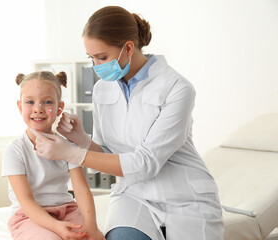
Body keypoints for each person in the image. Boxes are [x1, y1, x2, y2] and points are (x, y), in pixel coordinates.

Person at [34, 6, 224, 240]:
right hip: (134, 197)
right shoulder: (101, 89)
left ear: (128, 48)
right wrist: (81, 140)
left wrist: (72, 153)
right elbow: (108, 153)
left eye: (102, 57)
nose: (96, 66)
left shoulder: (177, 88)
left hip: (184, 200)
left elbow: (146, 163)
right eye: (91, 58)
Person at [1, 71, 105, 240]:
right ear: (20, 107)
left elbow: (81, 189)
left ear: (59, 108)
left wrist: (92, 227)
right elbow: (26, 202)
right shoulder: (15, 151)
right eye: (30, 102)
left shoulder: (67, 147)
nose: (38, 109)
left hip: (67, 210)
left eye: (47, 102)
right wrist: (57, 227)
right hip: (29, 216)